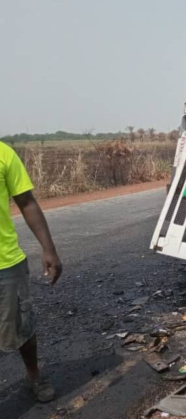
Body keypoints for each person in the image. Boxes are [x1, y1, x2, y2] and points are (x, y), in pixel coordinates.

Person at [0, 142, 62, 402]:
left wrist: (49, 249)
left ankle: (34, 374)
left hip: (5, 262)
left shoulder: (3, 153)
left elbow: (26, 201)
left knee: (21, 326)